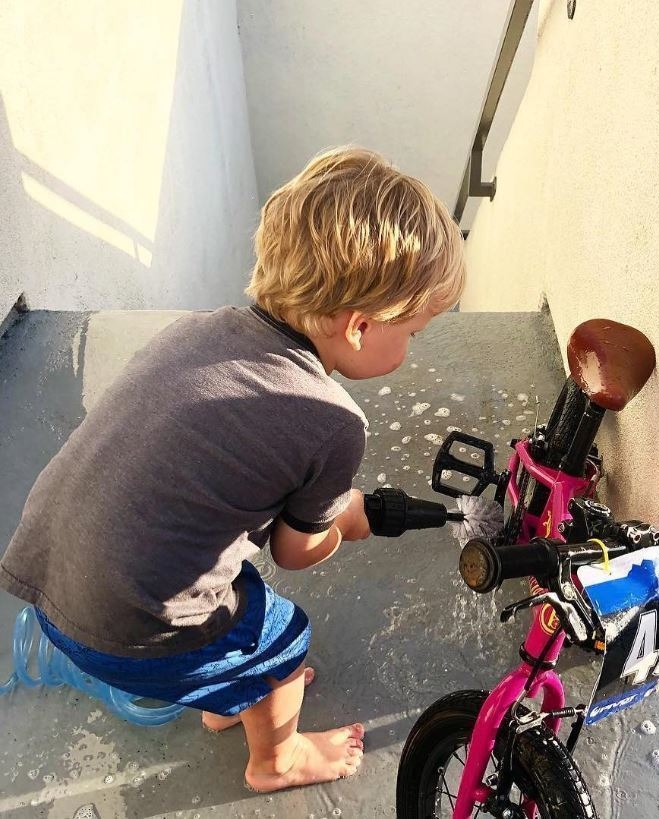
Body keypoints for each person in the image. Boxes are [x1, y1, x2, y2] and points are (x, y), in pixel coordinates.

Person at [0, 147, 465, 792]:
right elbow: (296, 553)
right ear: (360, 328)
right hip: (129, 629)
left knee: (229, 588)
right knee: (285, 642)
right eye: (414, 331)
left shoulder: (197, 331)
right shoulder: (332, 421)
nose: (412, 347)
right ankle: (276, 760)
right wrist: (345, 520)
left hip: (49, 580)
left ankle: (227, 694)